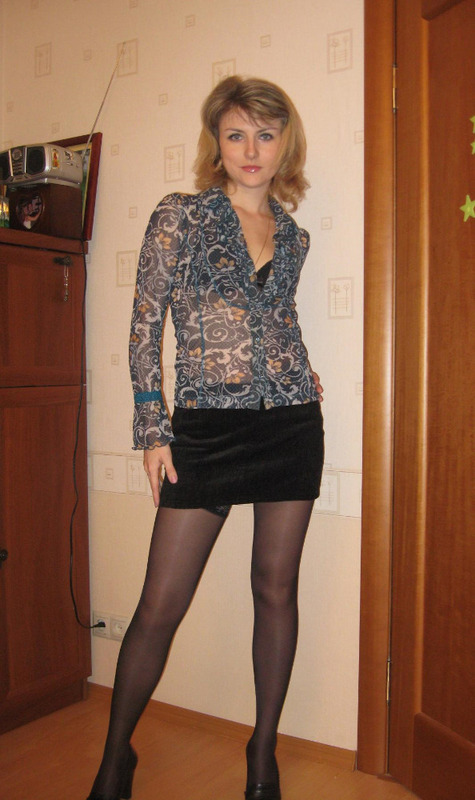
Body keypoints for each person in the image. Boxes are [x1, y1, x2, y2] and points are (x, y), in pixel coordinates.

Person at [87, 75, 324, 800]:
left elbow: (276, 319)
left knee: (275, 590)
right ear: (215, 144)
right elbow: (144, 324)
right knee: (160, 603)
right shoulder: (181, 216)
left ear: (284, 144)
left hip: (289, 423)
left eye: (265, 134)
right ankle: (114, 761)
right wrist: (152, 427)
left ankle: (262, 754)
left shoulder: (294, 236)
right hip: (205, 430)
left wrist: (302, 372)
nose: (251, 149)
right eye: (235, 134)